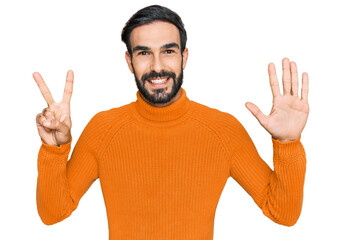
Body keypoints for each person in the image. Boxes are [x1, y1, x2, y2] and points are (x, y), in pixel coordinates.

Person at [34, 4, 309, 240]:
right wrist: (53, 150)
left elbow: (282, 213)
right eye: (143, 53)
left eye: (168, 51)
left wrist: (288, 143)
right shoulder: (103, 129)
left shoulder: (223, 130)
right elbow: (53, 213)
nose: (157, 66)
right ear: (129, 61)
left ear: (184, 57)